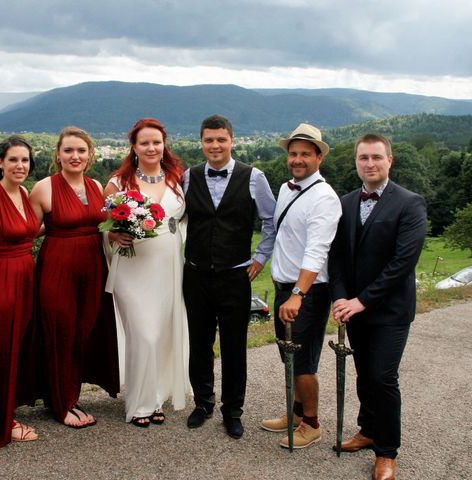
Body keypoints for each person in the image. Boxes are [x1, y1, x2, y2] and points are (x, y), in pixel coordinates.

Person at [329, 134, 427, 480]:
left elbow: (402, 263)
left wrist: (361, 301)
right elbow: (337, 255)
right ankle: (368, 430)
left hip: (390, 311)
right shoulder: (345, 202)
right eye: (363, 158)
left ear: (390, 160)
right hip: (354, 308)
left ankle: (387, 451)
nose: (369, 164)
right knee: (363, 373)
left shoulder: (410, 204)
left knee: (383, 376)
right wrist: (340, 296)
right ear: (356, 162)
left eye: (376, 157)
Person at [183, 114, 276, 439]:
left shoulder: (254, 177)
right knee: (198, 344)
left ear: (231, 141)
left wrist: (261, 258)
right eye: (209, 140)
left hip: (236, 277)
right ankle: (203, 403)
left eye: (221, 139)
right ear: (202, 142)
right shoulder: (188, 177)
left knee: (235, 348)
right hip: (195, 275)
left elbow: (270, 219)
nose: (215, 145)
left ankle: (232, 411)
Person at [29, 126, 119, 428]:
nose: (75, 156)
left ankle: (70, 394)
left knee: (83, 332)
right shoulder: (43, 188)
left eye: (81, 150)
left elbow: (104, 223)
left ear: (90, 154)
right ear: (58, 154)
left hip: (93, 266)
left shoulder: (95, 185)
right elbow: (28, 230)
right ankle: (60, 403)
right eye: (68, 150)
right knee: (60, 331)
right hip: (58, 268)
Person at [104, 118, 191, 427]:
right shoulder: (119, 182)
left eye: (157, 142)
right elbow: (102, 225)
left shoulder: (177, 178)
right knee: (144, 333)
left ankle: (156, 397)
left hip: (167, 264)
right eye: (145, 143)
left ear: (164, 144)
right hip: (132, 265)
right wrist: (112, 236)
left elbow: (185, 220)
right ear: (134, 147)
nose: (152, 147)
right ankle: (139, 404)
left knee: (162, 334)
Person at [262, 123, 341, 449]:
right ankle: (295, 413)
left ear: (319, 157)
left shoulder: (324, 198)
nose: (297, 159)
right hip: (286, 288)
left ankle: (312, 424)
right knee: (289, 357)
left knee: (304, 361)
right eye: (293, 153)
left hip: (306, 292)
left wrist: (297, 293)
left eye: (305, 154)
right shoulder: (286, 188)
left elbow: (317, 251)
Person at [0, 136, 40, 445]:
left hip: (26, 275)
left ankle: (2, 408)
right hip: (1, 279)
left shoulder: (24, 192)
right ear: (0, 162)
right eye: (13, 159)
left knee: (16, 348)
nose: (20, 165)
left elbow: (29, 232)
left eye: (25, 160)